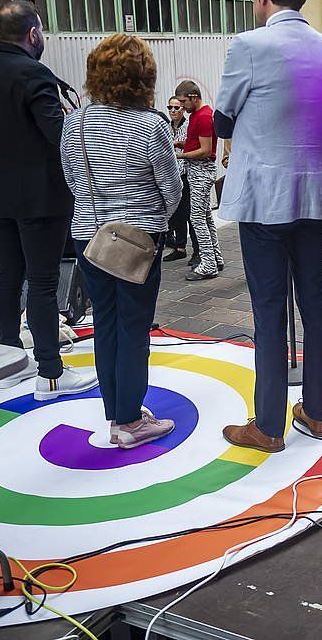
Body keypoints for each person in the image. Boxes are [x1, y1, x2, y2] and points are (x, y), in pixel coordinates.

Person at [214, 0, 322, 452]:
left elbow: (222, 120)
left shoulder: (249, 44)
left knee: (269, 310)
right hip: (312, 191)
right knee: (315, 302)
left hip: (265, 196)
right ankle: (315, 411)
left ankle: (267, 424)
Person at [0, 0, 96, 400]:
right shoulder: (34, 73)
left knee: (8, 274)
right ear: (33, 34)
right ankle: (50, 373)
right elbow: (59, 137)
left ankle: (9, 362)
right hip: (39, 198)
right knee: (42, 282)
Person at [60, 35, 182, 448]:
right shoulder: (151, 125)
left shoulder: (73, 122)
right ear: (143, 77)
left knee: (105, 324)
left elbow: (72, 181)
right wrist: (153, 220)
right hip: (136, 239)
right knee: (134, 329)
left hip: (88, 236)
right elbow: (172, 188)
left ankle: (116, 412)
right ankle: (129, 421)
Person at [174, 80, 223, 281]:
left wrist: (180, 155)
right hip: (198, 170)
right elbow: (198, 143)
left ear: (194, 97)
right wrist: (181, 144)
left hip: (201, 170)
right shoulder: (197, 115)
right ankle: (215, 258)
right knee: (206, 217)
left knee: (196, 218)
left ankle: (208, 264)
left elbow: (205, 150)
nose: (181, 107)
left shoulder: (203, 117)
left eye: (184, 102)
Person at [163, 96, 194, 261]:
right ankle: (180, 247)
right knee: (176, 214)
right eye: (170, 108)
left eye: (176, 108)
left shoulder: (188, 126)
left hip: (186, 174)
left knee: (189, 213)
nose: (173, 111)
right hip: (172, 175)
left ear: (183, 109)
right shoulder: (166, 127)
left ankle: (197, 250)